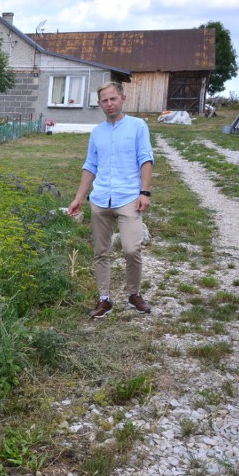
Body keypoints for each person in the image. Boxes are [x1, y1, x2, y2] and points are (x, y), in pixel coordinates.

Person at [67, 81, 154, 319]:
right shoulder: (97, 132)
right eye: (104, 100)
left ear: (123, 98)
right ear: (100, 104)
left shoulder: (137, 126)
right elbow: (90, 165)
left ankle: (134, 294)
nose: (109, 104)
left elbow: (145, 159)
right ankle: (104, 299)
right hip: (100, 198)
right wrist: (78, 198)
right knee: (100, 251)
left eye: (113, 98)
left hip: (128, 198)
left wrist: (144, 192)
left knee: (130, 249)